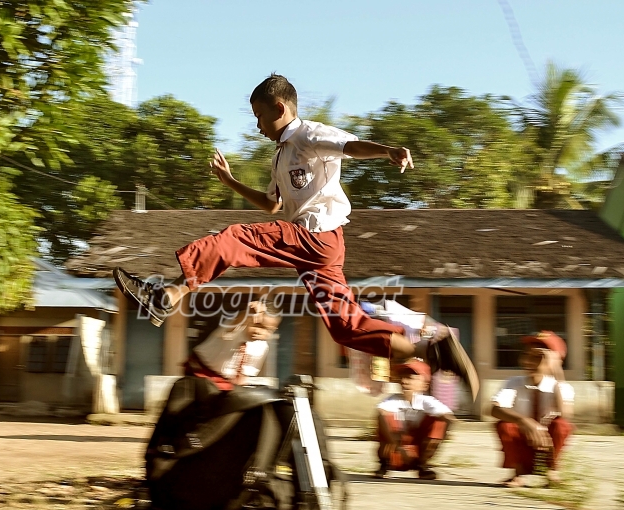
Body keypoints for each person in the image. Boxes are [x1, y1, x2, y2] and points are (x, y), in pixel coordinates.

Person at [113, 73, 449, 363]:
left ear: (279, 109)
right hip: (321, 249)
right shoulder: (280, 157)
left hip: (315, 235)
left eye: (259, 116)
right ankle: (426, 351)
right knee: (345, 326)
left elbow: (351, 146)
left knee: (236, 239)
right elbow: (271, 205)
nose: (258, 126)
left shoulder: (308, 135)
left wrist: (387, 151)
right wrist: (230, 181)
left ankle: (165, 297)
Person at [491, 331, 575, 488]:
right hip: (522, 446)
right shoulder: (514, 382)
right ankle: (518, 472)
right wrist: (524, 420)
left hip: (547, 446)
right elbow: (494, 409)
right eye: (526, 355)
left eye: (538, 357)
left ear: (555, 360)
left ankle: (551, 471)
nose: (528, 361)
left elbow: (566, 414)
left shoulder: (560, 386)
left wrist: (557, 374)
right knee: (505, 425)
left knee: (561, 425)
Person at [375, 360, 457, 480]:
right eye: (402, 377)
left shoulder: (427, 401)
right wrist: (398, 447)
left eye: (410, 378)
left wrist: (442, 435)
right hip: (395, 453)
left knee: (439, 422)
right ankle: (384, 464)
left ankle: (422, 465)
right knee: (385, 418)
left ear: (425, 384)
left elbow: (448, 417)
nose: (404, 381)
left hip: (416, 452)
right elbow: (381, 414)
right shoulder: (392, 400)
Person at [184, 300, 280, 391]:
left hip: (225, 382)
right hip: (199, 371)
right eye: (257, 325)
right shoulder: (234, 328)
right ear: (248, 320)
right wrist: (247, 313)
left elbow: (244, 376)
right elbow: (236, 322)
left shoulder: (262, 347)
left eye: (267, 329)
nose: (259, 331)